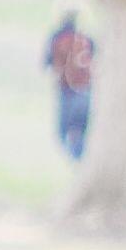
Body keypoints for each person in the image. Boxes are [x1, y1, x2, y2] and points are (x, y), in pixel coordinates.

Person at [42, 9, 97, 164]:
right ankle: (82, 163)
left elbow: (47, 64)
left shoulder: (56, 38)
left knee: (63, 133)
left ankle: (78, 164)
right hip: (86, 91)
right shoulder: (86, 38)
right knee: (81, 131)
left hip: (66, 91)